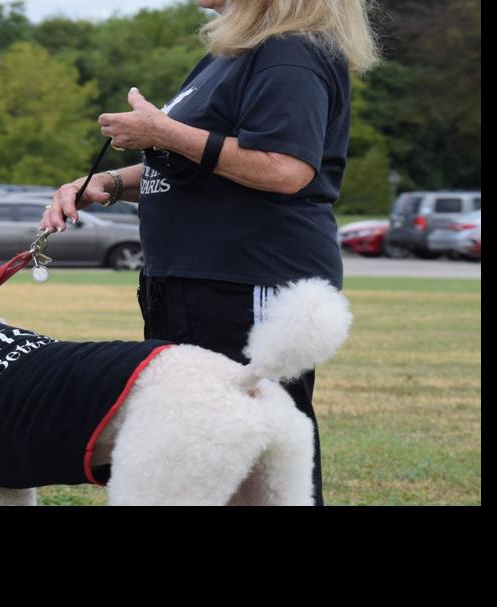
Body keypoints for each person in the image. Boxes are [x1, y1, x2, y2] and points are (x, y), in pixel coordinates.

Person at [42, 0, 377, 506]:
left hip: (243, 282)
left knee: (247, 451)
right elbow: (199, 163)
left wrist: (160, 132)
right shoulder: (235, 52)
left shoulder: (290, 54)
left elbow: (285, 168)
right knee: (199, 443)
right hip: (191, 280)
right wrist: (107, 183)